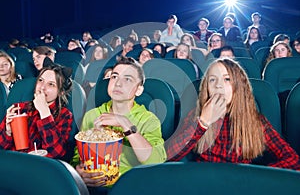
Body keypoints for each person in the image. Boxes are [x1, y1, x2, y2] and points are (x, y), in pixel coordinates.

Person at [165, 58, 300, 170]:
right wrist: (203, 122)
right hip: (204, 182)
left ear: (238, 87)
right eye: (212, 80)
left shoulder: (255, 121)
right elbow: (169, 156)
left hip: (241, 184)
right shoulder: (196, 115)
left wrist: (258, 177)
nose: (218, 85)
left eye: (227, 79)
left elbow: (293, 160)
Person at [72, 56, 166, 190]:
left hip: (131, 187)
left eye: (127, 79)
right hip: (94, 187)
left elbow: (155, 161)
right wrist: (80, 172)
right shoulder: (92, 115)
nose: (118, 83)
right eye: (114, 77)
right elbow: (78, 155)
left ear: (138, 90)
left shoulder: (148, 120)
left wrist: (126, 125)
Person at [0, 63, 73, 159]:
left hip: (42, 168)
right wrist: (8, 132)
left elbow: (57, 153)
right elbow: (2, 149)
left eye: (51, 84)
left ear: (60, 92)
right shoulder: (19, 108)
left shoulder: (65, 115)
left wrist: (44, 112)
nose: (42, 87)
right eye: (40, 80)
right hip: (15, 165)